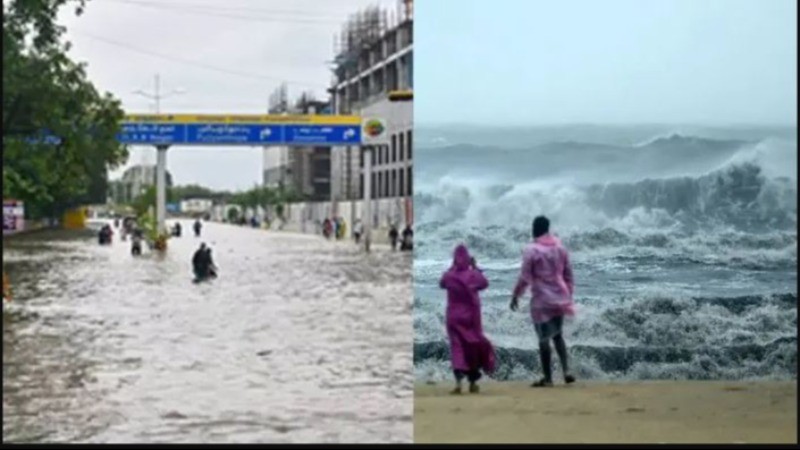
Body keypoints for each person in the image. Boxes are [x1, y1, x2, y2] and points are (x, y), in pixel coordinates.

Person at [510, 215, 576, 387]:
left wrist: (516, 295)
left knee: (543, 339)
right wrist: (568, 295)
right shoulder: (560, 248)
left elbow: (525, 277)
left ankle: (548, 379)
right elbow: (568, 275)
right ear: (547, 229)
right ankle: (566, 370)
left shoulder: (532, 249)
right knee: (558, 336)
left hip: (541, 300)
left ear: (535, 229)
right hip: (560, 297)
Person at [440, 244, 495, 394]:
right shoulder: (473, 275)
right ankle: (472, 383)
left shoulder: (449, 275)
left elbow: (441, 283)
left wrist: (452, 268)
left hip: (453, 317)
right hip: (471, 318)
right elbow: (485, 283)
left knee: (457, 348)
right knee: (472, 347)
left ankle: (458, 383)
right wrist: (475, 267)